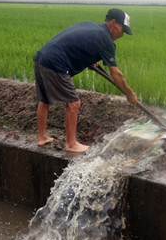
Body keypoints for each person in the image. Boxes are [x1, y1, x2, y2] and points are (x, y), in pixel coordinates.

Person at [33, 8, 137, 153]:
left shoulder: (91, 26)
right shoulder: (106, 40)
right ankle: (71, 144)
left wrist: (90, 59)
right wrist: (129, 93)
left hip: (41, 58)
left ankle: (42, 137)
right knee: (74, 103)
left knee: (44, 101)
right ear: (113, 23)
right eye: (122, 29)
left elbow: (78, 43)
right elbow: (116, 74)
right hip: (55, 64)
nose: (122, 34)